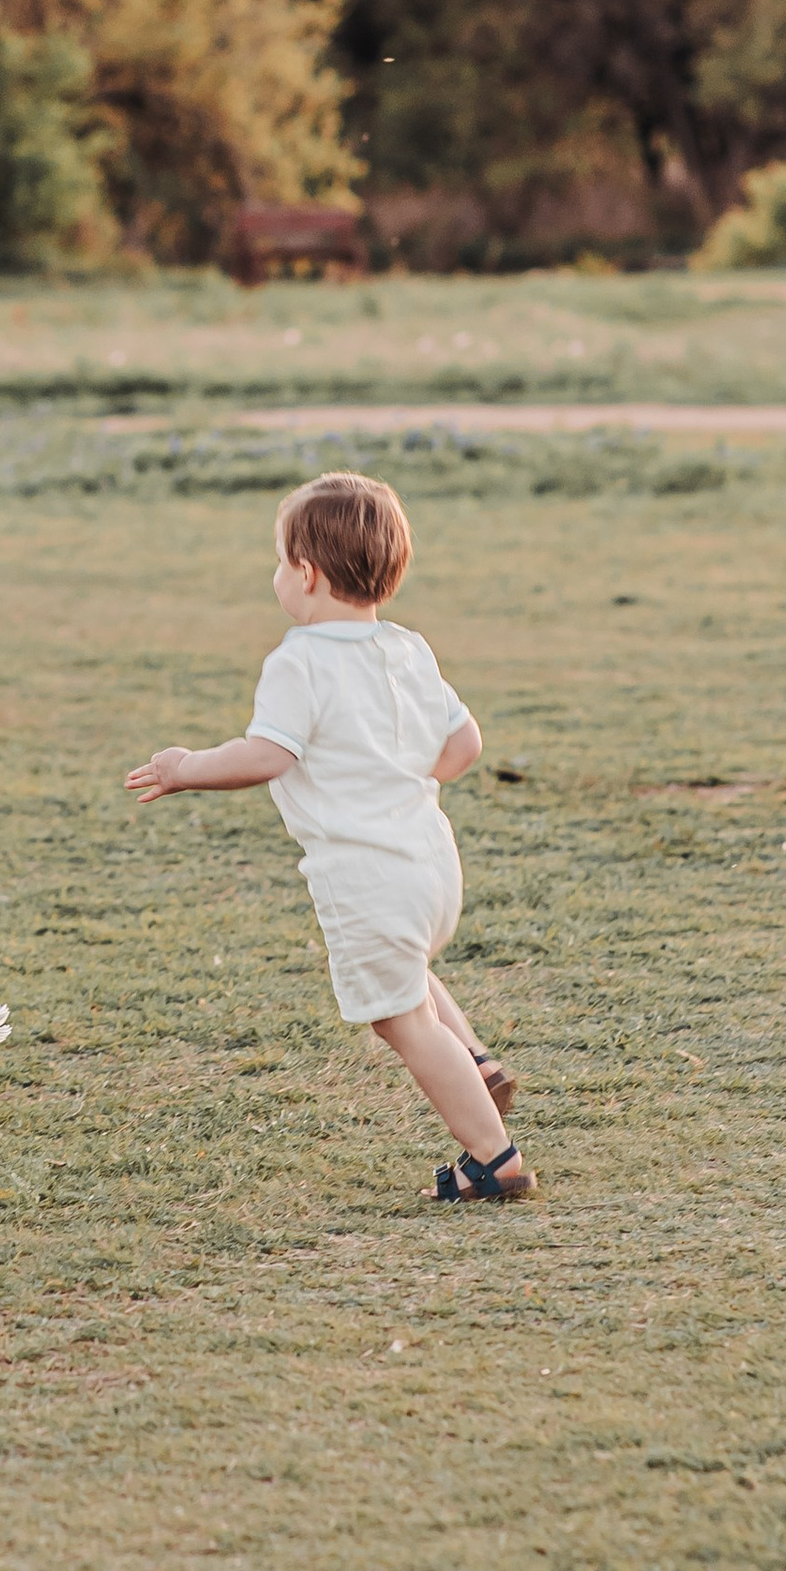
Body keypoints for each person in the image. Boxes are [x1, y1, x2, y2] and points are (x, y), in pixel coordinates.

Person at [124, 469, 533, 1201]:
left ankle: (493, 1159)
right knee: (411, 975)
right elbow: (465, 744)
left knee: (398, 1021)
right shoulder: (408, 648)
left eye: (281, 561)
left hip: (367, 877)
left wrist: (186, 766)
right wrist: (403, 781)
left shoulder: (299, 661)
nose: (277, 576)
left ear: (306, 575)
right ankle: (472, 1059)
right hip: (433, 865)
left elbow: (267, 755)